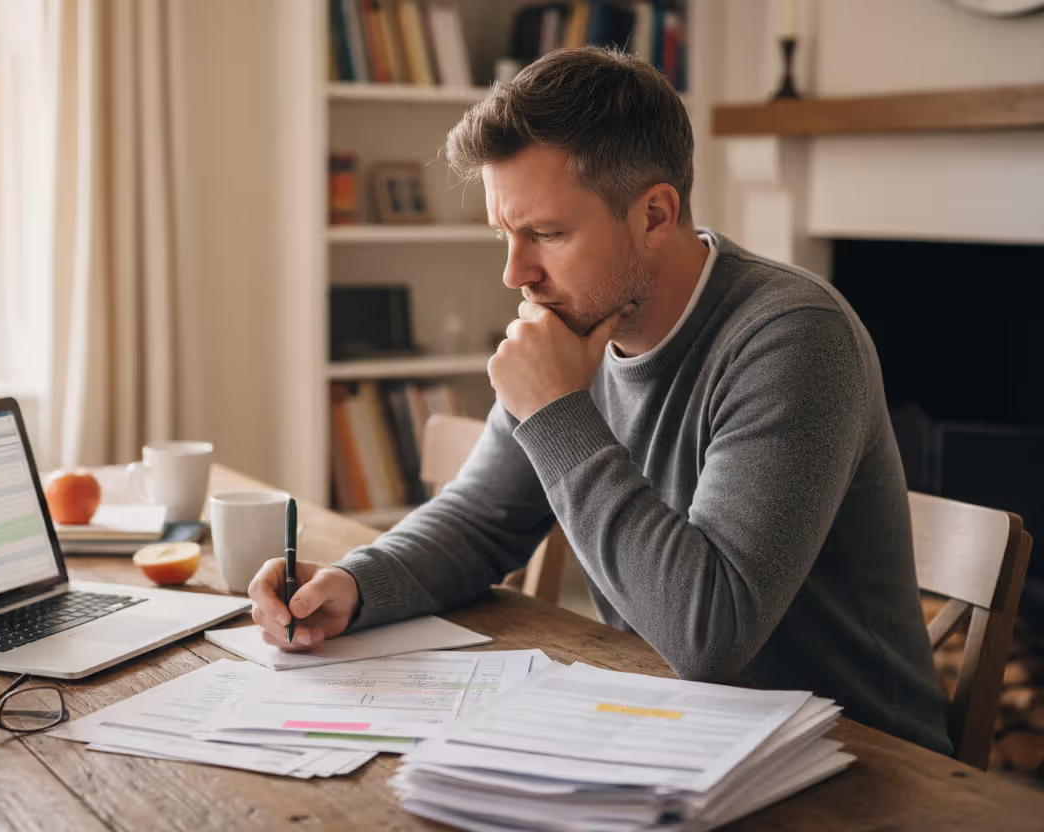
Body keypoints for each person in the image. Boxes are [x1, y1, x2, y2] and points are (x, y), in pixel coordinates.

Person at [248, 47, 952, 755]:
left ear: (653, 215)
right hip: (677, 734)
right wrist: (352, 585)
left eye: (547, 235)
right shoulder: (573, 325)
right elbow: (481, 520)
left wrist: (555, 412)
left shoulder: (794, 338)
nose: (515, 273)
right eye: (504, 233)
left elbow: (710, 634)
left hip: (859, 763)